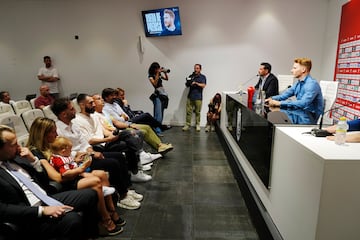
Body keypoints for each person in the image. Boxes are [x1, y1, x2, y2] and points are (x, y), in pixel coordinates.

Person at [0, 124, 99, 240]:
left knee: (90, 195)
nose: (18, 146)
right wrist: (42, 210)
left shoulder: (17, 158)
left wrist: (33, 161)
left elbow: (44, 180)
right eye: (13, 144)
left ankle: (90, 235)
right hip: (29, 213)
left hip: (45, 198)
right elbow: (3, 209)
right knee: (72, 219)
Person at [49, 98, 143, 209]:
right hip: (76, 161)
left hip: (86, 155)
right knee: (112, 163)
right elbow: (65, 152)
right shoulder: (58, 130)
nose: (75, 110)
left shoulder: (73, 124)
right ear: (64, 114)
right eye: (72, 109)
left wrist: (92, 152)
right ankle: (122, 197)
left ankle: (126, 189)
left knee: (119, 157)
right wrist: (91, 154)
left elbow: (84, 142)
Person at [74, 93, 159, 182]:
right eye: (91, 103)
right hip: (98, 146)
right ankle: (137, 166)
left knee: (128, 137)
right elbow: (89, 141)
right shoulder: (78, 120)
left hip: (105, 141)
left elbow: (103, 130)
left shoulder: (94, 115)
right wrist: (108, 139)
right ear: (82, 105)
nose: (94, 104)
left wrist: (111, 135)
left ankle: (136, 168)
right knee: (127, 140)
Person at [49, 136, 124, 236]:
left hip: (76, 175)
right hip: (69, 182)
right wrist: (83, 167)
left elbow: (69, 165)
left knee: (101, 174)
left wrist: (76, 162)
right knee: (96, 181)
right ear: (63, 151)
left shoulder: (62, 156)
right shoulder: (58, 159)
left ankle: (112, 210)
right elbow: (65, 174)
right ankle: (106, 219)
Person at [102, 88, 174, 154]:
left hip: (127, 122)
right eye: (111, 95)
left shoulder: (115, 104)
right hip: (121, 127)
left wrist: (123, 117)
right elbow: (118, 120)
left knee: (147, 127)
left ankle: (160, 145)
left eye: (114, 95)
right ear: (106, 97)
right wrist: (123, 117)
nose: (114, 97)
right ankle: (144, 153)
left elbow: (125, 115)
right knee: (143, 130)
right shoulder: (106, 108)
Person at [182, 64, 207, 132]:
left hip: (198, 97)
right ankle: (187, 125)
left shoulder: (202, 77)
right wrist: (188, 82)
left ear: (200, 69)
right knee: (188, 112)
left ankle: (198, 125)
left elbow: (203, 85)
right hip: (190, 97)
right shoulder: (191, 76)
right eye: (195, 68)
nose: (196, 69)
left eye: (197, 68)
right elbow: (187, 85)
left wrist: (196, 83)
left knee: (197, 112)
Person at [148, 62, 169, 126]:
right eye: (157, 68)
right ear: (154, 69)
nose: (158, 69)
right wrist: (157, 73)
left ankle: (159, 127)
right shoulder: (151, 76)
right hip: (158, 95)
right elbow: (155, 84)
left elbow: (166, 79)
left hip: (163, 94)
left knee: (161, 113)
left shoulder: (159, 75)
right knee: (158, 114)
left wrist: (165, 72)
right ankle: (156, 129)